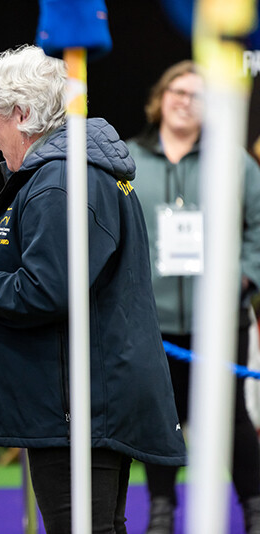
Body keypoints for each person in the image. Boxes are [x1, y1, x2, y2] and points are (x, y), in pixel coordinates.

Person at [0, 45, 186, 534]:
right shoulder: (74, 170)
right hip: (83, 397)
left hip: (77, 405)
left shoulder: (61, 179)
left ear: (23, 114)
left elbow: (47, 290)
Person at [126, 60, 260, 534]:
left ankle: (256, 510)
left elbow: (258, 227)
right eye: (177, 91)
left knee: (232, 419)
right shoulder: (126, 161)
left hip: (221, 319)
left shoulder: (233, 161)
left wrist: (246, 276)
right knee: (162, 419)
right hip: (152, 322)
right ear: (160, 99)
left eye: (198, 94)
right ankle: (162, 512)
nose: (186, 101)